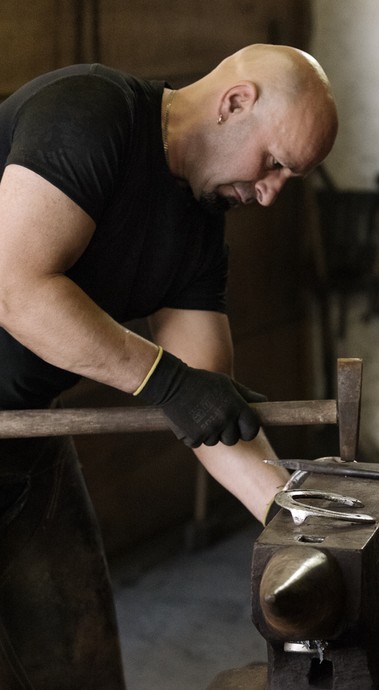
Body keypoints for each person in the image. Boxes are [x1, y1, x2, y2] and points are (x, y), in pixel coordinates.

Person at [0, 43, 338, 688]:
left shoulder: (198, 228)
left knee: (79, 665)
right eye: (273, 163)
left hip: (25, 436)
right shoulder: (89, 113)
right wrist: (167, 382)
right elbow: (16, 288)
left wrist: (301, 519)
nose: (269, 195)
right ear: (235, 102)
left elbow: (208, 414)